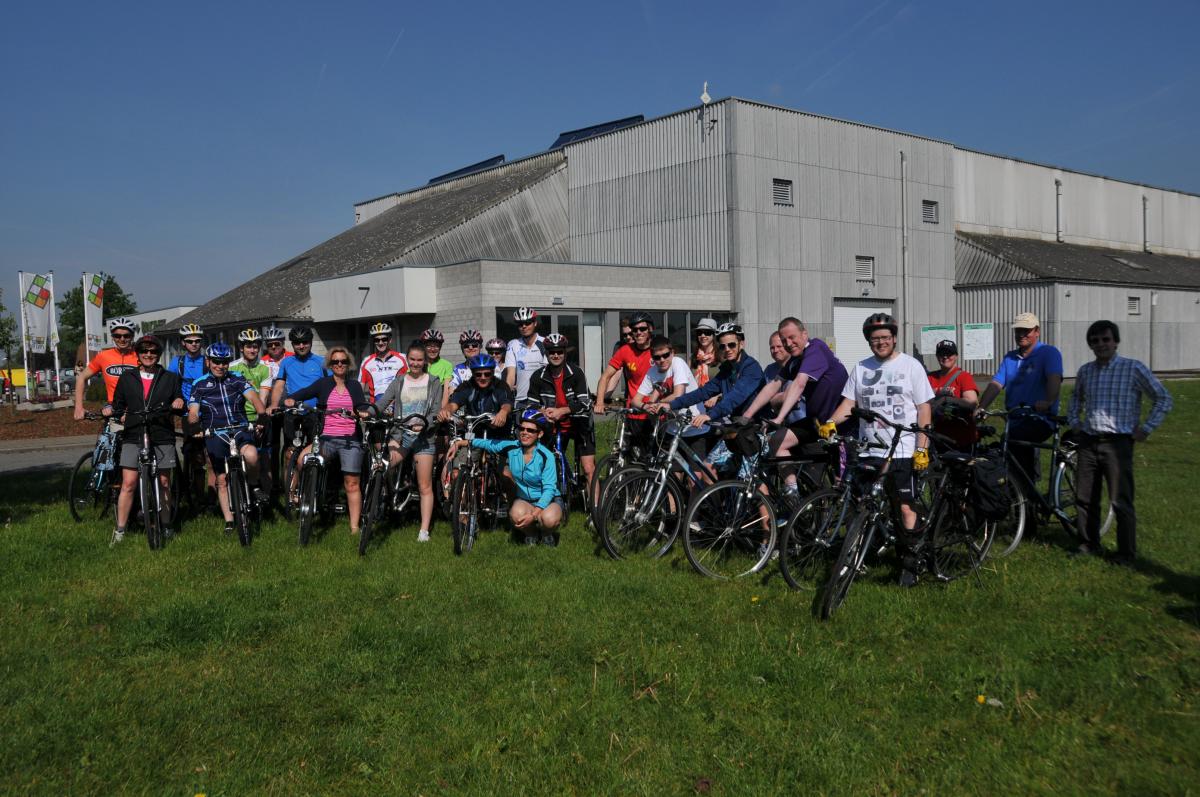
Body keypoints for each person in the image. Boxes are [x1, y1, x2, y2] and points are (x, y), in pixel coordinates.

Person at [819, 313, 933, 587]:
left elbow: (924, 408)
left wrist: (922, 447)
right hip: (869, 448)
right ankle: (856, 556)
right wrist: (831, 422)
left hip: (902, 448)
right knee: (862, 504)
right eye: (874, 339)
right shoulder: (861, 368)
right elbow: (849, 404)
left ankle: (909, 563)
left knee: (904, 506)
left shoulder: (911, 366)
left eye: (885, 337)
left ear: (894, 337)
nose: (880, 343)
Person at [1067, 320, 1173, 564]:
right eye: (1095, 341)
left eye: (1106, 339)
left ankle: (1126, 553)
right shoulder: (1085, 371)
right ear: (1090, 345)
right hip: (1088, 442)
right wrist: (1075, 422)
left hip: (1117, 444)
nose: (1101, 344)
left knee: (1120, 500)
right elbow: (1075, 399)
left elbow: (1163, 398)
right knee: (1084, 498)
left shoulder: (1133, 368)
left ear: (1116, 341)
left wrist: (1146, 429)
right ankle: (1088, 544)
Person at [741, 318, 849, 496]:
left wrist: (779, 418)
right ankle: (792, 492)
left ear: (804, 334)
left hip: (839, 425)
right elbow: (774, 385)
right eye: (784, 340)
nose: (788, 344)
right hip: (817, 423)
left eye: (792, 337)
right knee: (776, 441)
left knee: (842, 486)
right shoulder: (795, 360)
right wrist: (746, 415)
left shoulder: (816, 349)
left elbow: (799, 383)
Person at [282, 347, 372, 535]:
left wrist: (362, 413)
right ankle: (303, 496)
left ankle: (354, 527)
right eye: (335, 362)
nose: (339, 364)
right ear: (330, 365)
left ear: (348, 364)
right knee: (302, 459)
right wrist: (291, 399)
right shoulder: (323, 383)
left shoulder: (354, 385)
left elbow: (361, 406)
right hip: (326, 438)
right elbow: (304, 392)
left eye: (343, 361)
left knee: (352, 482)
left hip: (350, 440)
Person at [105, 334, 184, 545]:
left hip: (161, 433)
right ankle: (120, 530)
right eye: (144, 351)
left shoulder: (169, 377)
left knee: (164, 482)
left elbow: (179, 400)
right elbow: (118, 404)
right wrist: (113, 411)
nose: (149, 355)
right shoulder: (127, 377)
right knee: (129, 483)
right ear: (138, 354)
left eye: (153, 351)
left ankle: (166, 525)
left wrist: (178, 401)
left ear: (158, 354)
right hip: (134, 432)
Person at [977, 312, 1063, 499]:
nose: (1021, 334)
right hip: (1014, 420)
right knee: (998, 449)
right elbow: (996, 384)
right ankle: (1020, 497)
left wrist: (1048, 402)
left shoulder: (1048, 353)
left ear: (1037, 331)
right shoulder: (1010, 358)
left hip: (1040, 418)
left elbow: (1054, 379)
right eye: (1018, 330)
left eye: (1026, 330)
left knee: (1017, 451)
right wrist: (981, 407)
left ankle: (1027, 503)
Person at [189, 343, 268, 534]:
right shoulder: (199, 383)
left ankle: (254, 484)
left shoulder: (237, 378)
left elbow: (254, 398)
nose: (220, 366)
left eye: (224, 362)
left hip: (240, 427)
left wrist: (261, 415)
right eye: (216, 362)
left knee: (252, 456)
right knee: (222, 479)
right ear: (208, 362)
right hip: (215, 432)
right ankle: (229, 520)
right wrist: (195, 425)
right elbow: (193, 411)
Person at [377, 341, 442, 542]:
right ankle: (389, 498)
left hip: (424, 438)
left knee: (424, 485)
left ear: (425, 361)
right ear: (407, 359)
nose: (415, 363)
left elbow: (436, 411)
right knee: (382, 464)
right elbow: (382, 402)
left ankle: (424, 530)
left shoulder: (433, 381)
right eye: (412, 359)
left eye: (419, 360)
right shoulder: (399, 381)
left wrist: (424, 425)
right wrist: (368, 412)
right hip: (400, 435)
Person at [471, 409, 562, 546]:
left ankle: (546, 534)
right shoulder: (512, 447)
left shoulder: (546, 456)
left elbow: (549, 489)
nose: (524, 432)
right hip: (525, 500)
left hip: (549, 500)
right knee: (515, 515)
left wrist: (533, 515)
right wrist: (463, 442)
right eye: (522, 429)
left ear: (540, 434)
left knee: (549, 519)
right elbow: (489, 443)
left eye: (530, 430)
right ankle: (531, 534)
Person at [527, 332, 596, 495]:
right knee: (544, 465)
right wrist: (542, 412)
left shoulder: (576, 372)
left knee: (588, 469)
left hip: (579, 423)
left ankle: (596, 507)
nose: (556, 355)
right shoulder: (538, 376)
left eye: (559, 352)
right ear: (546, 353)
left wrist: (562, 411)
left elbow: (586, 403)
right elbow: (531, 405)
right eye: (552, 352)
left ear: (565, 353)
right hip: (553, 425)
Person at [269, 326, 330, 496]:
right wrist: (273, 404)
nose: (301, 346)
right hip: (293, 412)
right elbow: (279, 385)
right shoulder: (287, 362)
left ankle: (314, 490)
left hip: (314, 413)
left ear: (310, 342)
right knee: (290, 453)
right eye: (297, 343)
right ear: (292, 344)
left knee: (315, 452)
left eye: (305, 342)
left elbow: (330, 385)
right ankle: (290, 495)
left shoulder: (321, 361)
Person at [594, 312, 656, 446]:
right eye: (635, 330)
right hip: (633, 411)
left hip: (655, 412)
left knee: (653, 455)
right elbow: (606, 376)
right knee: (628, 454)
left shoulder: (658, 350)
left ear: (650, 329)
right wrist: (600, 401)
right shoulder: (624, 350)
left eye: (642, 329)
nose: (638, 333)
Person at [169, 322, 211, 501]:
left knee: (209, 455)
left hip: (207, 411)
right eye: (190, 341)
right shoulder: (177, 362)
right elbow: (170, 385)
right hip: (187, 412)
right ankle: (192, 493)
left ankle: (205, 496)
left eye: (197, 341)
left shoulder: (207, 361)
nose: (194, 344)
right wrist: (176, 398)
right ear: (183, 343)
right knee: (194, 454)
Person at [74, 316, 139, 419]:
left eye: (126, 336)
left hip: (136, 408)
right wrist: (78, 407)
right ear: (112, 337)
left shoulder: (140, 357)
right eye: (117, 336)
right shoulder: (103, 356)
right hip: (113, 408)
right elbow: (81, 377)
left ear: (132, 336)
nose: (122, 339)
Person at [927, 339, 979, 451]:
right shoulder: (930, 378)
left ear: (956, 356)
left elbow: (972, 402)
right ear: (937, 356)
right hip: (936, 437)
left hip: (961, 439)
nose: (945, 357)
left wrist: (948, 399)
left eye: (949, 353)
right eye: (942, 354)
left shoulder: (964, 376)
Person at [504, 307, 548, 408]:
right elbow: (510, 376)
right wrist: (506, 397)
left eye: (527, 323)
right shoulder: (513, 344)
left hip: (542, 399)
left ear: (535, 323)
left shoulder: (545, 343)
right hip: (521, 400)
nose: (524, 326)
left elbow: (547, 373)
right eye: (520, 324)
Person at [359, 321, 407, 404]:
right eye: (377, 340)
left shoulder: (403, 358)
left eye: (384, 339)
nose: (380, 343)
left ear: (390, 340)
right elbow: (360, 388)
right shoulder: (366, 361)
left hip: (399, 406)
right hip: (376, 407)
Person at [445, 329, 485, 404]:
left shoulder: (491, 365)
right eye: (466, 346)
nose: (470, 348)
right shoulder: (458, 369)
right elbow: (452, 392)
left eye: (474, 345)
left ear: (480, 347)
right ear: (462, 349)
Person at [691, 316, 719, 389]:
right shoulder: (693, 358)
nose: (703, 336)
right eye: (699, 332)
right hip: (695, 394)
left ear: (714, 335)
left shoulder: (721, 356)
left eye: (707, 333)